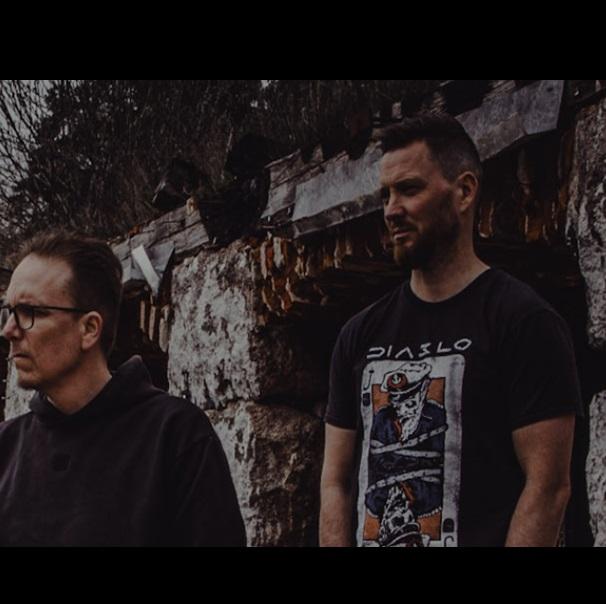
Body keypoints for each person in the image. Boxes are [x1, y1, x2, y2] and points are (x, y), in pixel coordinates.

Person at [320, 113, 583, 547]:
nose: (391, 211)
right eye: (385, 195)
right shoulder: (359, 335)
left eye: (409, 189)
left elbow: (549, 487)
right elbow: (336, 481)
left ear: (464, 191)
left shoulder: (524, 321)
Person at [0, 230, 246, 546]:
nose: (8, 330)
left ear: (89, 329)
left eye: (30, 312)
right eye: (8, 312)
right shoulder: (6, 447)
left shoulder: (175, 435)